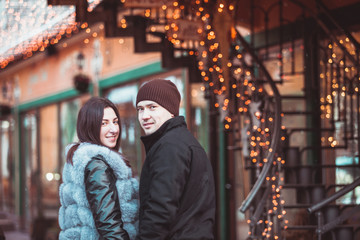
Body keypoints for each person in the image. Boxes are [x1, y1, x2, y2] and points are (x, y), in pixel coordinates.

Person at [135, 79, 216, 239]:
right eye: (140, 109)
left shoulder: (169, 145)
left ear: (171, 110)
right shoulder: (182, 141)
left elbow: (160, 210)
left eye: (152, 107)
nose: (145, 116)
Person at [58, 97, 138, 239]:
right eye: (104, 123)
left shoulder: (82, 158)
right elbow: (110, 228)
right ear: (90, 126)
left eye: (115, 122)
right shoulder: (96, 166)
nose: (113, 129)